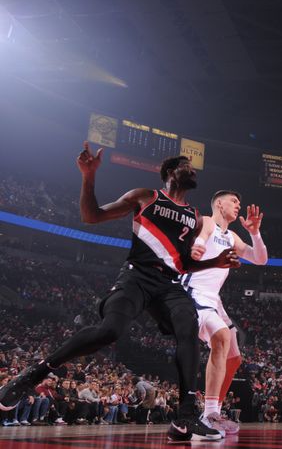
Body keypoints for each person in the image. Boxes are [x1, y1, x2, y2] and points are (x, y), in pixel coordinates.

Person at [0, 143, 239, 441]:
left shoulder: (193, 214)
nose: (192, 170)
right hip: (137, 276)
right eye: (185, 166)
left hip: (169, 284)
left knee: (188, 326)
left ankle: (185, 418)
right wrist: (89, 177)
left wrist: (215, 261)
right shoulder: (146, 196)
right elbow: (91, 216)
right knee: (110, 330)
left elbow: (184, 261)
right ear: (169, 173)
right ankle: (34, 374)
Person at [188, 190, 268, 434]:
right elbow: (201, 235)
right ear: (219, 204)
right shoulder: (208, 222)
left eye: (239, 201)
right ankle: (209, 415)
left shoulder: (232, 235)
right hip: (194, 293)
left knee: (234, 358)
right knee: (221, 337)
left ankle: (213, 411)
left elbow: (260, 259)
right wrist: (199, 246)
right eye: (234, 201)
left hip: (215, 299)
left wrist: (254, 233)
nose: (238, 205)